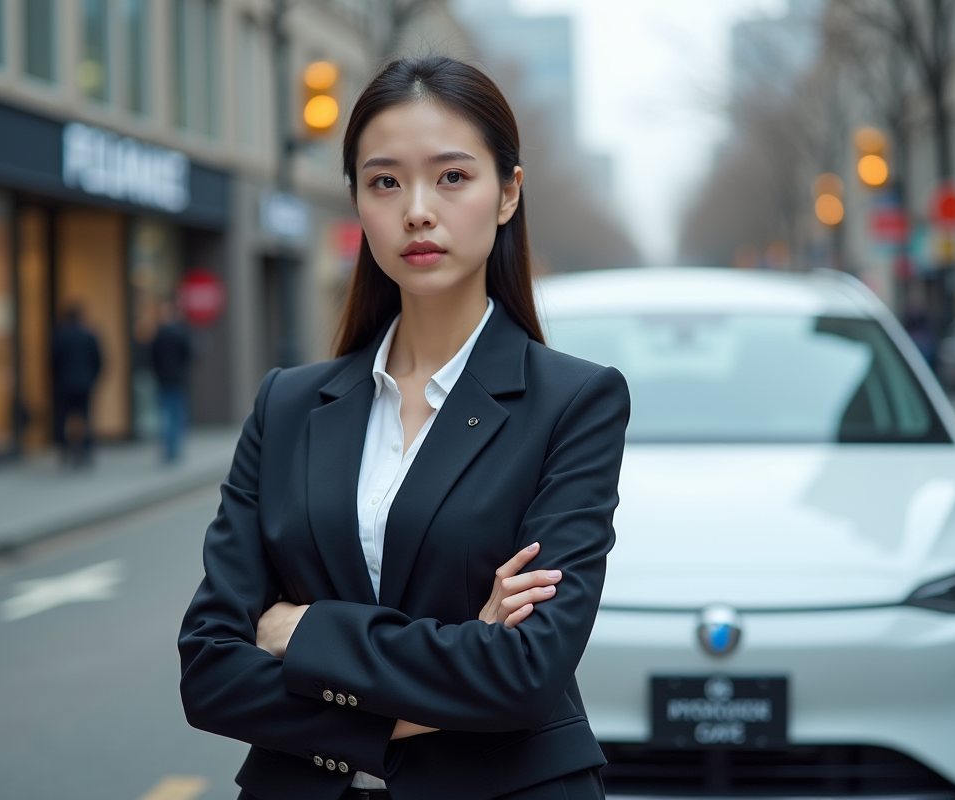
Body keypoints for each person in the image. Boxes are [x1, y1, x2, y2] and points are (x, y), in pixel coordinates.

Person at [179, 57, 630, 800]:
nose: (418, 209)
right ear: (357, 201)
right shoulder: (287, 406)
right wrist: (454, 668)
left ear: (509, 192)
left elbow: (523, 675)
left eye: (452, 177)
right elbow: (210, 673)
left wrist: (304, 633)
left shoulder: (575, 402)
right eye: (385, 181)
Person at [51, 304, 101, 467]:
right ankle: (85, 450)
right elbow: (99, 361)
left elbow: (53, 362)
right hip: (84, 383)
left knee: (64, 417)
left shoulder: (61, 336)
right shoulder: (89, 335)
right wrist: (92, 378)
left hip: (64, 384)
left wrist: (57, 379)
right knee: (85, 417)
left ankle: (65, 450)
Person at [151, 301, 193, 463]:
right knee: (177, 415)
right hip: (178, 379)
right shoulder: (179, 333)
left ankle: (167, 449)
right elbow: (187, 355)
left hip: (163, 379)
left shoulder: (159, 335)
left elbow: (153, 358)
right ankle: (175, 449)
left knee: (165, 415)